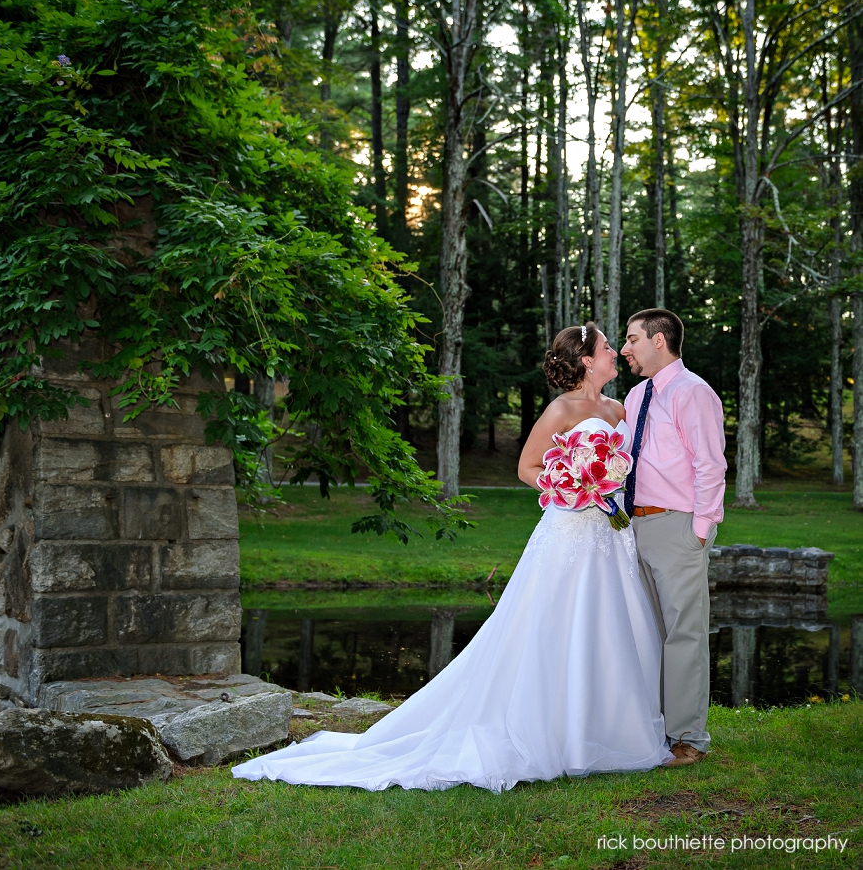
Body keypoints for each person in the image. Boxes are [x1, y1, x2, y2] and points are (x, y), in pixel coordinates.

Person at [232, 322, 672, 792]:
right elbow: (528, 467)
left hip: (611, 535)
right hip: (570, 534)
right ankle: (556, 732)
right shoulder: (561, 409)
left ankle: (608, 731)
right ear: (587, 359)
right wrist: (572, 488)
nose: (613, 353)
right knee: (556, 629)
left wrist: (607, 487)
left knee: (609, 628)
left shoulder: (618, 407)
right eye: (607, 347)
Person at [620, 309, 726, 768]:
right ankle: (655, 730)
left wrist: (701, 529)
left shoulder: (693, 393)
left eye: (632, 340)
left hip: (677, 525)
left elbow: (711, 464)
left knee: (683, 633)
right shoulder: (635, 394)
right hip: (633, 525)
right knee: (650, 633)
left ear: (659, 340)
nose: (625, 349)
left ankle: (687, 739)